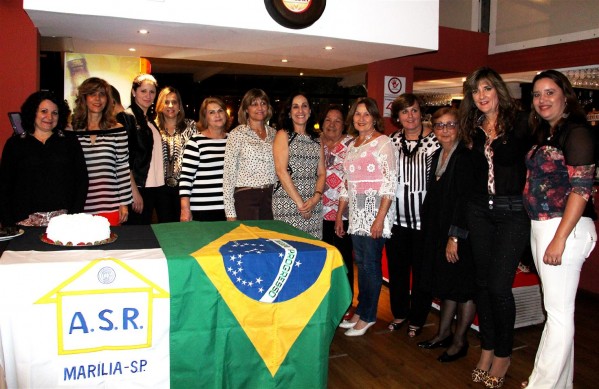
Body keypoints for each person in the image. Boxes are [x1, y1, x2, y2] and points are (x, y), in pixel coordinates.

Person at [522, 70, 597, 389]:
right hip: (544, 226)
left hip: (566, 228)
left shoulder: (577, 133)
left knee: (558, 313)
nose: (542, 100)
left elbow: (581, 190)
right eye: (537, 94)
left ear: (566, 96)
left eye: (550, 92)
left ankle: (542, 384)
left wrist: (559, 239)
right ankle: (560, 384)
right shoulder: (546, 133)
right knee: (557, 310)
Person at [459, 67, 532, 388]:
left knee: (500, 287)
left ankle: (504, 353)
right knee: (482, 285)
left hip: (512, 213)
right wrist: (457, 228)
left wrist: (496, 136)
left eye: (487, 88)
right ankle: (487, 347)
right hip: (479, 212)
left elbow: (518, 158)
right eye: (476, 91)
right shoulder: (471, 128)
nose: (482, 95)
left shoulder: (519, 122)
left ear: (497, 90)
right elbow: (469, 182)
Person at [417, 107, 476, 363]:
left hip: (461, 233)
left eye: (450, 125)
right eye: (439, 125)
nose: (444, 130)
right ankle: (443, 333)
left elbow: (465, 201)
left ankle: (460, 341)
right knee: (447, 284)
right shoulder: (438, 154)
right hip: (440, 229)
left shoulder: (466, 156)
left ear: (459, 127)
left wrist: (455, 237)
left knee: (463, 287)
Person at [335, 97, 398, 336]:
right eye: (357, 114)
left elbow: (390, 183)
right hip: (356, 213)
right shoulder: (353, 145)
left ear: (374, 118)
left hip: (375, 212)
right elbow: (346, 184)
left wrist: (380, 219)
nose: (361, 118)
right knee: (361, 264)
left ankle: (369, 316)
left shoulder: (383, 143)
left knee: (370, 266)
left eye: (366, 114)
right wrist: (341, 215)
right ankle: (362, 311)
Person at [386, 93, 440, 336]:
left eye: (414, 110)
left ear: (421, 113)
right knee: (397, 271)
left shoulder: (436, 142)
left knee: (422, 273)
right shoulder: (391, 141)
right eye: (405, 111)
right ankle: (399, 314)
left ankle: (418, 317)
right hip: (396, 219)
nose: (410, 116)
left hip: (424, 221)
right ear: (398, 117)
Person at [0, 91, 88, 227]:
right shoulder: (15, 144)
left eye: (55, 113)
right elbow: (4, 186)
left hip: (63, 222)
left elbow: (82, 181)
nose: (49, 117)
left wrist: (74, 216)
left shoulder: (70, 141)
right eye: (44, 111)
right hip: (23, 223)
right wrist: (8, 222)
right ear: (33, 112)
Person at [71, 77, 132, 226]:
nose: (97, 99)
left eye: (102, 94)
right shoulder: (71, 130)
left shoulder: (117, 129)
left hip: (110, 205)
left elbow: (122, 167)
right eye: (92, 94)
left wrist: (124, 203)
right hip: (79, 206)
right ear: (84, 98)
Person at [273, 93, 325, 238]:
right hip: (288, 202)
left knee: (313, 249)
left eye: (304, 106)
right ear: (289, 113)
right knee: (290, 247)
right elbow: (281, 171)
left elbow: (322, 173)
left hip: (313, 203)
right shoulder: (283, 135)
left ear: (309, 111)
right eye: (295, 107)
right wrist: (301, 204)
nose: (300, 110)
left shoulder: (317, 139)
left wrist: (315, 198)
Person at [320, 105, 355, 318]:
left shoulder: (351, 144)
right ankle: (325, 300)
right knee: (323, 259)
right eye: (328, 120)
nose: (332, 124)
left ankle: (345, 303)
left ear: (344, 124)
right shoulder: (315, 143)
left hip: (342, 213)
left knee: (343, 260)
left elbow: (351, 180)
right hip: (317, 213)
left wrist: (341, 215)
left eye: (337, 120)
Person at [223, 88, 277, 221]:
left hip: (271, 197)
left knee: (270, 239)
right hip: (246, 197)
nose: (260, 107)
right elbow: (228, 174)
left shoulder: (275, 134)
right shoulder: (237, 134)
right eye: (254, 104)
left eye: (263, 103)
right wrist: (230, 213)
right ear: (246, 109)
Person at [126, 73, 169, 224]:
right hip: (139, 187)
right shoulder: (127, 117)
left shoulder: (150, 120)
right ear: (133, 92)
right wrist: (134, 192)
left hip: (156, 187)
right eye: (143, 91)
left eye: (152, 92)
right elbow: (125, 161)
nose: (148, 95)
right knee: (138, 234)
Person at [179, 97, 229, 222]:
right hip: (201, 209)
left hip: (228, 209)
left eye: (220, 111)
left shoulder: (233, 140)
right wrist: (185, 209)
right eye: (211, 112)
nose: (217, 115)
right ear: (205, 117)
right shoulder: (196, 141)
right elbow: (186, 179)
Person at [155, 86, 198, 222]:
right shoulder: (153, 127)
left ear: (179, 105)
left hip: (185, 187)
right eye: (166, 102)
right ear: (160, 105)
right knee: (165, 227)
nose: (170, 105)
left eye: (174, 102)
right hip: (160, 188)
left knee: (185, 226)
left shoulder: (191, 126)